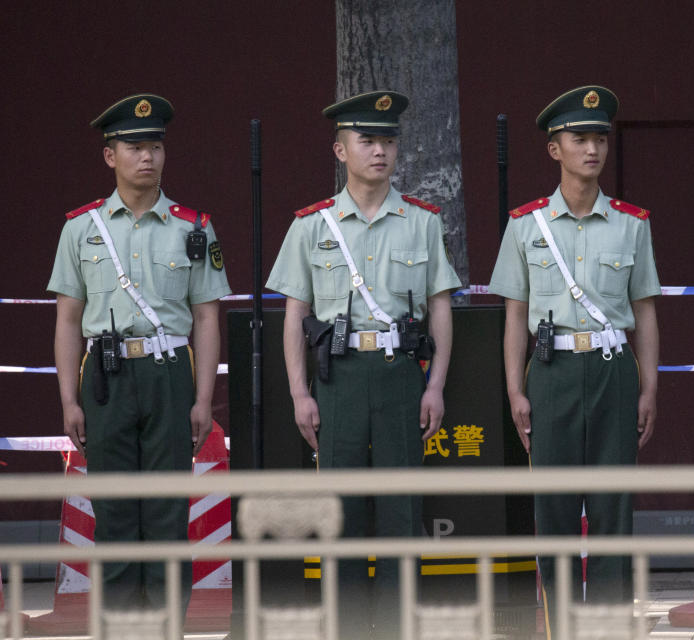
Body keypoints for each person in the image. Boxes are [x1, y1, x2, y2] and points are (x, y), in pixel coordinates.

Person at [266, 90, 461, 638]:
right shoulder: (311, 226)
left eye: (389, 140)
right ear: (339, 149)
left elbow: (440, 308)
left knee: (401, 511)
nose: (380, 151)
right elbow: (294, 316)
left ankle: (398, 627)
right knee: (343, 511)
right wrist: (300, 394)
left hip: (401, 373)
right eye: (367, 140)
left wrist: (435, 385)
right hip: (339, 377)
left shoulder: (421, 221)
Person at [48, 93, 231, 615]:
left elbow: (206, 318)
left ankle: (166, 622)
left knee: (168, 508)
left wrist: (203, 399)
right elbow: (65, 319)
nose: (147, 156)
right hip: (103, 376)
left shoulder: (193, 227)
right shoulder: (80, 229)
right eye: (134, 147)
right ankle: (124, 624)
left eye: (155, 146)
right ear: (110, 156)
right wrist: (68, 399)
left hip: (169, 374)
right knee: (115, 510)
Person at [488, 86, 660, 617]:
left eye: (600, 139)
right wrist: (515, 388)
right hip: (551, 371)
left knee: (613, 506)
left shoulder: (633, 223)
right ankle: (559, 624)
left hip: (613, 371)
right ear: (553, 149)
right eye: (579, 138)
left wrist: (650, 386)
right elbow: (515, 314)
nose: (593, 149)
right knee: (555, 506)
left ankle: (607, 623)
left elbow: (646, 311)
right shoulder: (524, 224)